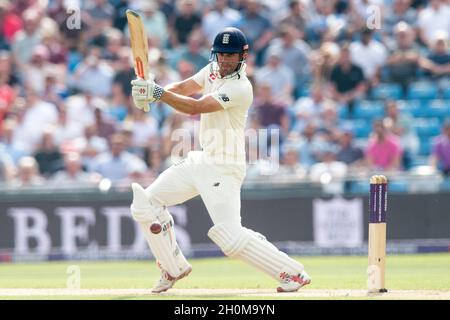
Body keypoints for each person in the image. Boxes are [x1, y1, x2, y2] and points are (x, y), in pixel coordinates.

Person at [130, 27, 311, 293]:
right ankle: (173, 267)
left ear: (243, 56)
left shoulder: (241, 87)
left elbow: (196, 106)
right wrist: (153, 92)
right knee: (146, 204)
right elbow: (185, 88)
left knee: (230, 238)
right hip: (201, 160)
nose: (225, 60)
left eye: (231, 55)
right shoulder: (212, 69)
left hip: (225, 166)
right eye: (221, 54)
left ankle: (293, 273)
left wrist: (157, 94)